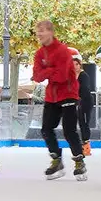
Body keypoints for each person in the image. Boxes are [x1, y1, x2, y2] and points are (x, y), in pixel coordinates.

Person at [31, 20, 86, 181]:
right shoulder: (39, 54)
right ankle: (56, 160)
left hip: (68, 93)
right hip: (51, 95)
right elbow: (37, 76)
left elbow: (62, 76)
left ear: (50, 32)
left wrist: (46, 71)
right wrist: (51, 70)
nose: (39, 34)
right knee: (46, 129)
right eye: (38, 31)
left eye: (42, 30)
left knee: (69, 130)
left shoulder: (63, 51)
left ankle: (79, 162)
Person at [74, 56, 94, 157]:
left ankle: (86, 146)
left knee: (85, 123)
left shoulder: (83, 75)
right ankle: (84, 145)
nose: (75, 66)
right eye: (73, 65)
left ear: (80, 65)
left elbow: (85, 89)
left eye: (76, 64)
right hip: (79, 101)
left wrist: (79, 97)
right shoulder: (73, 76)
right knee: (81, 122)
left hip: (86, 102)